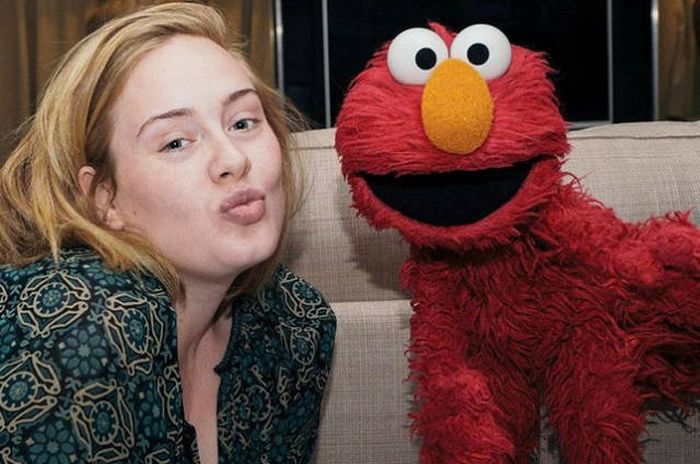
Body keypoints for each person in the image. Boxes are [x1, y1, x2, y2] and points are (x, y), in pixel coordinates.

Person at [0, 3, 335, 463]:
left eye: (242, 123)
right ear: (105, 197)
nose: (233, 159)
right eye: (176, 142)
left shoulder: (294, 324)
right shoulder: (80, 327)